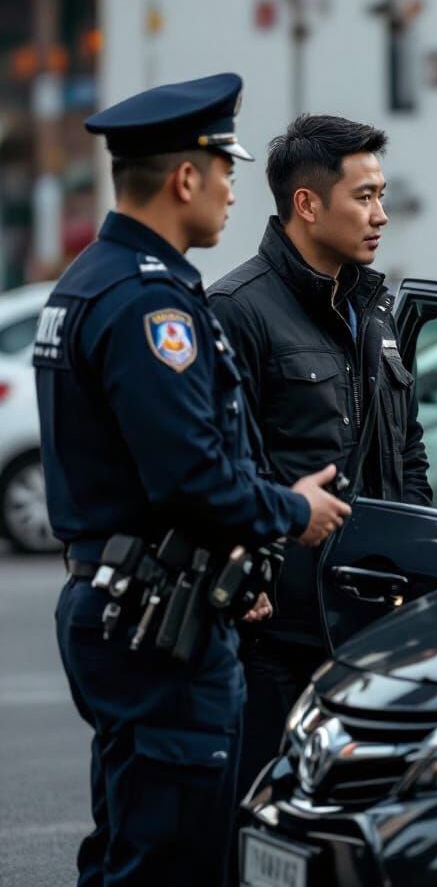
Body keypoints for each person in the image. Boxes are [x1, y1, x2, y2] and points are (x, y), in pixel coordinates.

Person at [37, 73, 350, 887]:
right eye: (226, 172)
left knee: (131, 842)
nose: (231, 192)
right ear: (185, 179)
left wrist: (233, 567)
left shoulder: (92, 280)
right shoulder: (148, 305)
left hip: (139, 602)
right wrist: (291, 510)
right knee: (171, 858)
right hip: (154, 622)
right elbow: (190, 476)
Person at [208, 113, 431, 796]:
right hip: (280, 631)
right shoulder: (237, 309)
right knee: (265, 816)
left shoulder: (375, 306)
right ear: (307, 204)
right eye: (364, 197)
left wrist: (421, 553)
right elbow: (218, 466)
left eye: (381, 195)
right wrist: (245, 576)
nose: (381, 215)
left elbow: (408, 446)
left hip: (374, 621)